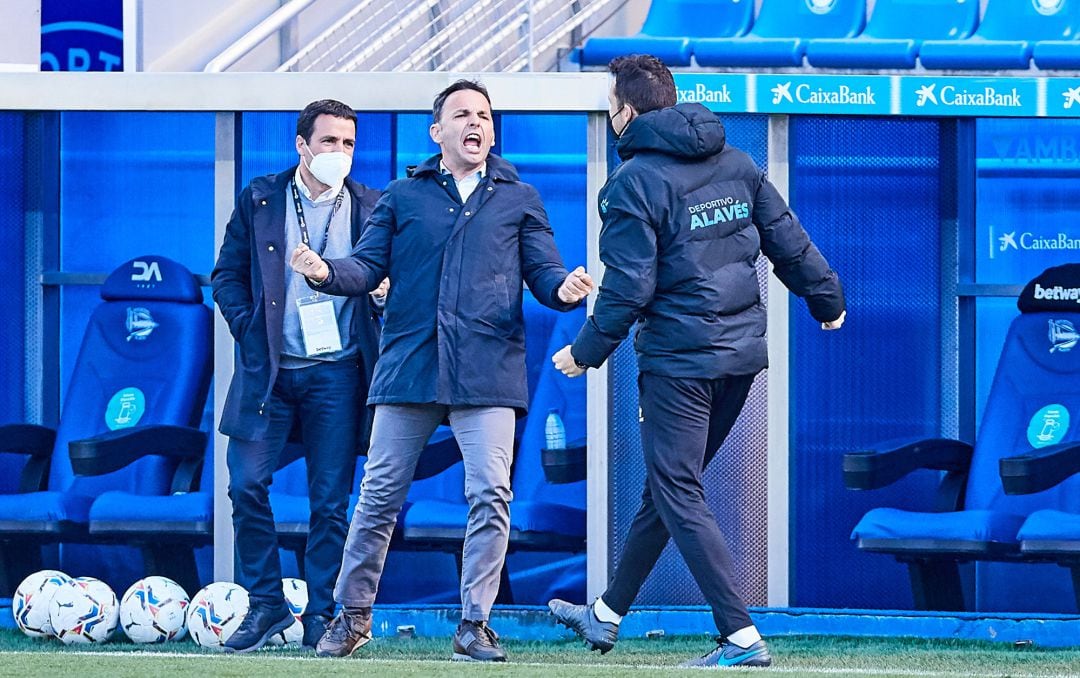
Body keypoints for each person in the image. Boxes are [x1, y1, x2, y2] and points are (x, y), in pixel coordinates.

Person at [548, 55, 846, 669]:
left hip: (679, 362)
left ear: (626, 112)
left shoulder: (632, 183)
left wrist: (585, 353)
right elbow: (787, 237)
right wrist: (827, 298)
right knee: (670, 486)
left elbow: (628, 285)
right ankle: (605, 615)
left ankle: (740, 637)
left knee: (677, 487)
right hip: (739, 357)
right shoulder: (736, 162)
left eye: (611, 107)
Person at [291, 80, 593, 663]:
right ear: (438, 132)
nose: (475, 123)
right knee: (377, 497)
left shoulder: (519, 197)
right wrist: (323, 272)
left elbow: (546, 274)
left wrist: (566, 288)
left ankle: (474, 625)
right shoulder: (403, 196)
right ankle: (351, 618)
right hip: (409, 368)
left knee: (491, 494)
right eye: (462, 114)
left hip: (487, 373)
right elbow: (363, 267)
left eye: (483, 115)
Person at [211, 99, 384, 653]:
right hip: (271, 373)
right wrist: (248, 326)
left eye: (349, 144)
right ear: (302, 145)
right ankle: (266, 603)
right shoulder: (262, 197)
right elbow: (226, 276)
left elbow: (391, 279)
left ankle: (322, 613)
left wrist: (383, 294)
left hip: (337, 374)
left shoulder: (372, 206)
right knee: (246, 483)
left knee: (330, 502)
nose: (340, 153)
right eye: (329, 141)